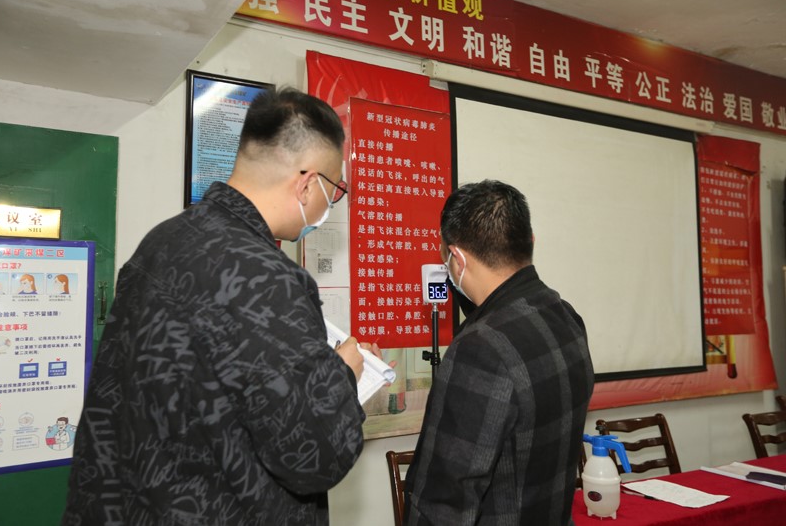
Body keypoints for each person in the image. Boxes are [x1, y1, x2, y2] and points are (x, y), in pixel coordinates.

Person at [63, 87, 375, 525]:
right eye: (335, 189)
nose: (331, 203)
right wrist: (342, 376)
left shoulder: (160, 242)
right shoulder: (268, 278)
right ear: (308, 185)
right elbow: (313, 457)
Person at [403, 180, 594, 525]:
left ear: (457, 258)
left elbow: (443, 501)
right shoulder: (566, 316)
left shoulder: (480, 347)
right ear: (529, 242)